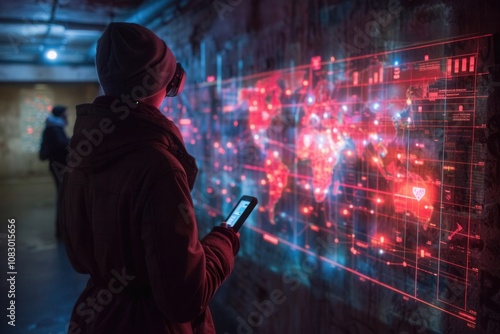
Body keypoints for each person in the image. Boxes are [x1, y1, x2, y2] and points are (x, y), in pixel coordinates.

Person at [58, 22, 240, 333]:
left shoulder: (82, 150)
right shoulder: (159, 167)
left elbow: (78, 256)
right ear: (167, 83)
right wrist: (224, 241)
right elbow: (184, 298)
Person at [39, 105, 70, 238]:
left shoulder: (54, 128)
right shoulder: (55, 129)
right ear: (60, 115)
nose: (67, 116)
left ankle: (61, 230)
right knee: (63, 197)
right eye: (65, 114)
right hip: (59, 167)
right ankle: (61, 231)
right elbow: (62, 145)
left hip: (57, 166)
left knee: (63, 197)